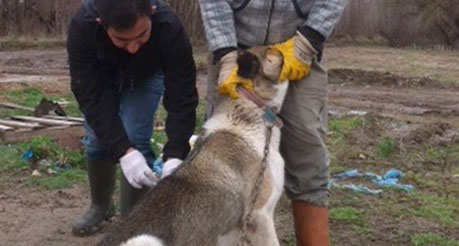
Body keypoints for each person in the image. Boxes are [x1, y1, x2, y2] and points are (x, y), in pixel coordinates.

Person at [198, 0, 347, 245]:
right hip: (235, 47)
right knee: (219, 163)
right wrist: (225, 53)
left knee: (308, 157)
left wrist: (308, 40)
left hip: (297, 44)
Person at [67, 0, 198, 236]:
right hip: (102, 79)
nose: (133, 48)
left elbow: (182, 93)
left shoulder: (169, 27)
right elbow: (89, 95)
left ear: (152, 13)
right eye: (121, 40)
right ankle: (101, 205)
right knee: (97, 139)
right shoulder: (82, 27)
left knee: (135, 134)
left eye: (141, 36)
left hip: (146, 76)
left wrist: (176, 154)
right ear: (101, 24)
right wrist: (123, 152)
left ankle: (134, 220)